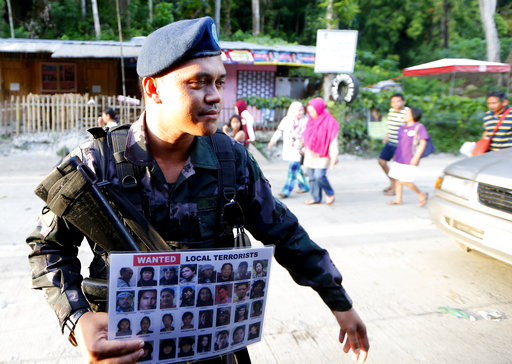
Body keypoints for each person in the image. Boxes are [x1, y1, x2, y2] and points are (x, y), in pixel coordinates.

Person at [27, 17, 368, 364]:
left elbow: (285, 233)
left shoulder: (230, 159)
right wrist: (77, 318)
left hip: (214, 347)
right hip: (128, 350)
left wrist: (338, 300)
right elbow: (46, 245)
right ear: (153, 88)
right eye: (198, 82)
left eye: (219, 82)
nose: (215, 96)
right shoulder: (98, 162)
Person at [387, 107, 429, 207]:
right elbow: (400, 142)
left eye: (407, 113)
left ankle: (421, 194)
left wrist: (417, 157)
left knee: (404, 180)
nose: (404, 114)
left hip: (410, 158)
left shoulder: (419, 127)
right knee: (397, 178)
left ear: (413, 115)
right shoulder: (402, 127)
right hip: (399, 157)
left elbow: (423, 143)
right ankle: (398, 199)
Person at [267, 101, 310, 198]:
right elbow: (279, 132)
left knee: (293, 168)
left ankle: (286, 190)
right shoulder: (287, 120)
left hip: (300, 148)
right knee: (297, 168)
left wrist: (305, 149)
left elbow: (308, 137)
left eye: (302, 110)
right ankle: (304, 186)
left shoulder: (305, 121)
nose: (301, 112)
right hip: (290, 147)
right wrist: (272, 142)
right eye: (299, 110)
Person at [302, 97, 339, 205]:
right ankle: (316, 198)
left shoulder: (329, 121)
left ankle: (329, 193)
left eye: (313, 111)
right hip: (310, 153)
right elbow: (306, 136)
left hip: (323, 153)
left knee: (319, 176)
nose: (311, 113)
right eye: (309, 111)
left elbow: (333, 140)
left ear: (319, 109)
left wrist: (334, 155)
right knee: (312, 177)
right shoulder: (310, 121)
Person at [378, 93, 407, 195]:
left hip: (400, 145)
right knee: (381, 162)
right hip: (390, 142)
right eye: (393, 102)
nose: (395, 104)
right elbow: (391, 127)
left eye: (398, 101)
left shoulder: (407, 113)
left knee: (396, 168)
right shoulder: (391, 111)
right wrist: (387, 135)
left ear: (403, 102)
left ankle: (396, 189)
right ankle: (392, 182)